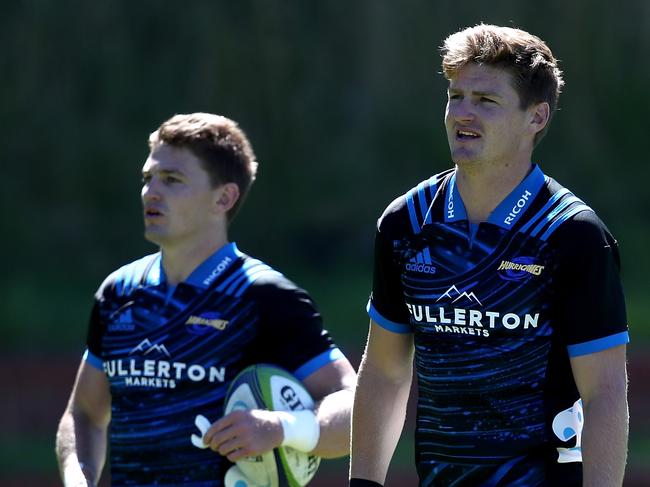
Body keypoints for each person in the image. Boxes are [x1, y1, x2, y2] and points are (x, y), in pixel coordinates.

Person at [349, 24, 629, 487]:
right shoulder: (406, 223)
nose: (463, 113)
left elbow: (603, 394)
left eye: (486, 101)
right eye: (455, 96)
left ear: (536, 117)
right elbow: (383, 371)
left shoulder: (572, 234)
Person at [56, 112, 357, 486]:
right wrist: (77, 478)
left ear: (224, 198)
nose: (151, 191)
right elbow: (84, 413)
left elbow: (355, 405)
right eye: (148, 178)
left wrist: (283, 427)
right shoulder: (118, 293)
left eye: (172, 180)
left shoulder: (264, 297)